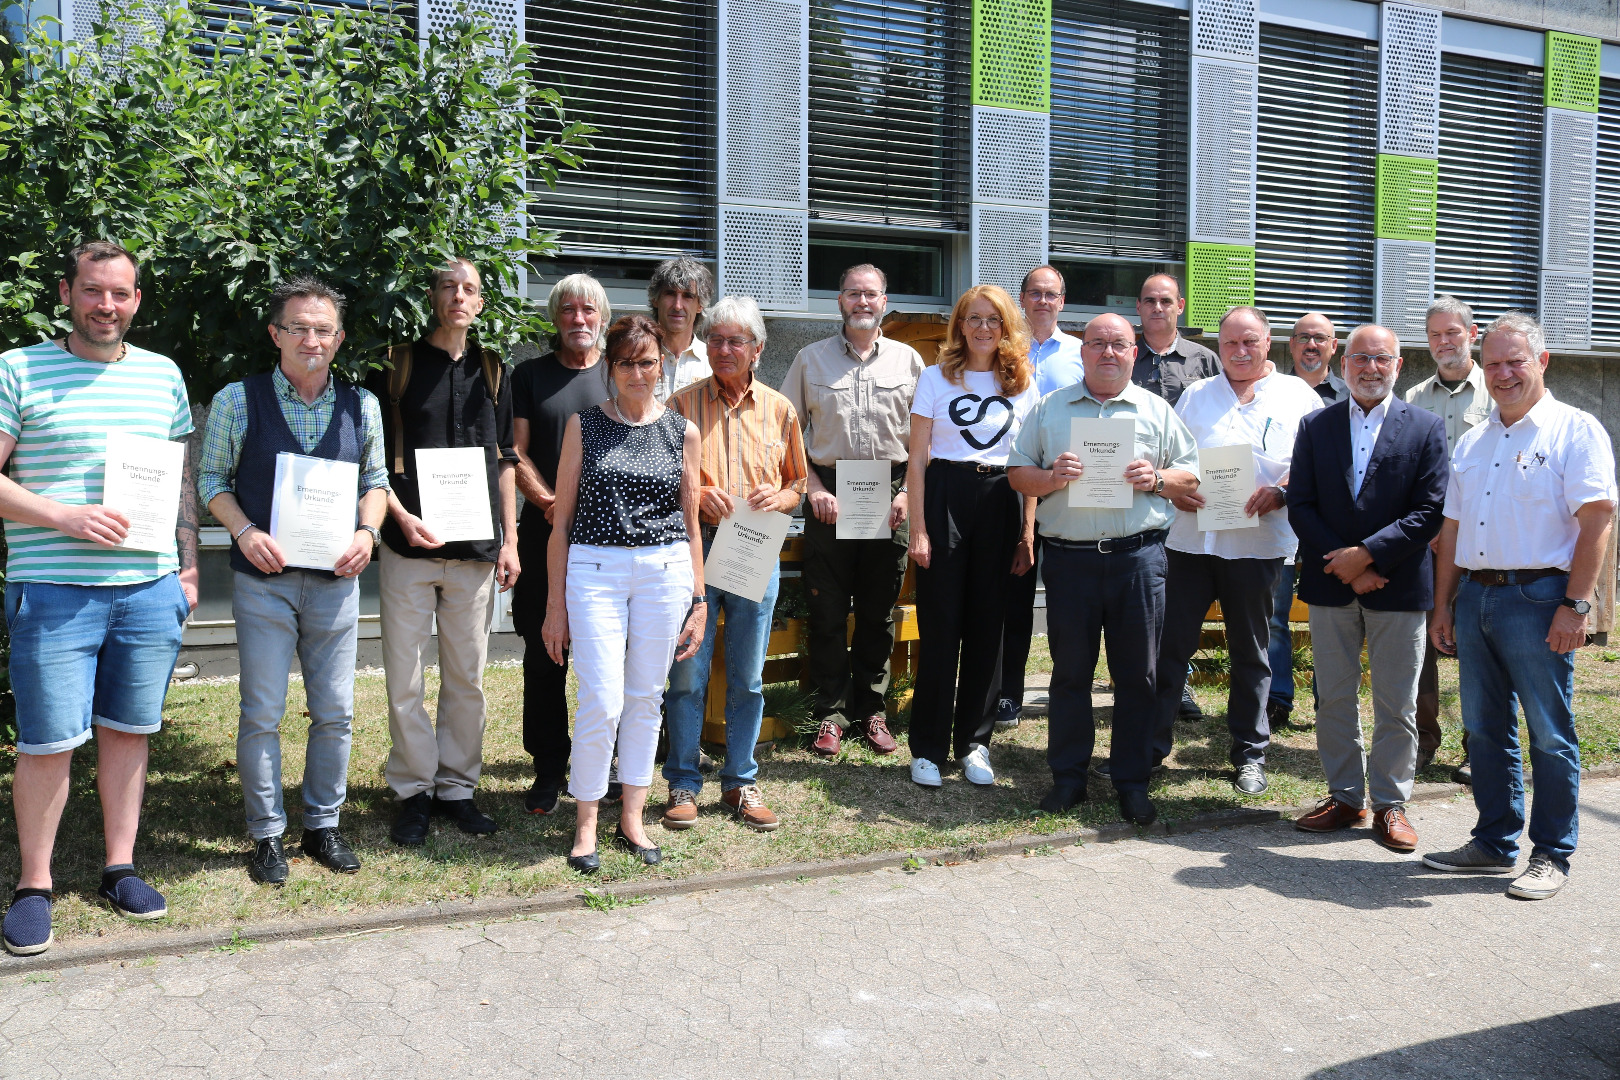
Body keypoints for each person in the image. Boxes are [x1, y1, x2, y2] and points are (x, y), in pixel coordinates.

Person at [0, 242, 197, 956]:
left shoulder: (162, 375)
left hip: (146, 589)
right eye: (92, 291)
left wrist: (187, 568)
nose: (105, 305)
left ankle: (120, 867)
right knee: (49, 741)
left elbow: (177, 482)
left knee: (128, 729)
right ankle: (34, 885)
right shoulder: (18, 369)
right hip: (53, 590)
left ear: (136, 299)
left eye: (119, 293)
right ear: (66, 293)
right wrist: (64, 516)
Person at [200, 276, 390, 887]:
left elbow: (377, 483)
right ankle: (266, 835)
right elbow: (212, 482)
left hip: (335, 581)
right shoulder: (238, 399)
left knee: (335, 711)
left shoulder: (362, 404)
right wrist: (244, 531)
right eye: (299, 327)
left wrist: (367, 534)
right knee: (262, 710)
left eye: (323, 329)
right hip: (265, 580)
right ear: (276, 333)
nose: (312, 338)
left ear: (338, 339)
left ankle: (323, 824)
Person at [1423, 313, 1616, 901]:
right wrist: (1443, 606)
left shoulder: (1573, 430)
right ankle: (1493, 842)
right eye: (1495, 363)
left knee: (1550, 734)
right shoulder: (1477, 439)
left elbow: (1598, 520)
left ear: (1543, 361)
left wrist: (1576, 606)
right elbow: (1452, 529)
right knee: (1483, 730)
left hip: (1540, 600)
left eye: (1516, 362)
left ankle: (1552, 852)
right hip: (1478, 594)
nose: (1504, 373)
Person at [1007, 314, 1199, 823]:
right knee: (1070, 675)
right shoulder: (1051, 409)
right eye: (1097, 344)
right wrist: (1050, 477)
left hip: (1138, 560)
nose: (1107, 353)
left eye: (1118, 344)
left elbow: (1190, 475)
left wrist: (1156, 478)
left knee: (1138, 675)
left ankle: (1131, 779)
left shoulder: (1156, 410)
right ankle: (1069, 778)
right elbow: (1016, 473)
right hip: (1070, 562)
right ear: (1083, 352)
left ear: (1134, 352)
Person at [541, 314, 707, 874]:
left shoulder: (683, 431)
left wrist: (700, 599)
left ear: (663, 365)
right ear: (611, 369)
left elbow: (690, 520)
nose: (639, 373)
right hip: (595, 569)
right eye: (627, 363)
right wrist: (554, 605)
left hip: (664, 571)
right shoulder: (584, 425)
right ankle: (586, 821)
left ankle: (632, 816)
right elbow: (560, 522)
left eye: (648, 362)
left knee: (645, 698)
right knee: (601, 701)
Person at [368, 258, 519, 846]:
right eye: (450, 287)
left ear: (480, 303)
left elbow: (506, 460)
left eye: (470, 290)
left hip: (476, 552)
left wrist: (511, 540)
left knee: (467, 679)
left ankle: (457, 788)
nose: (460, 297)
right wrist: (398, 520)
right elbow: (375, 460)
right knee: (404, 678)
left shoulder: (493, 369)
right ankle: (412, 791)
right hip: (409, 548)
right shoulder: (397, 365)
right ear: (433, 297)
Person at [1286, 324, 1448, 851]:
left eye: (1381, 358)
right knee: (1333, 696)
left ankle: (1392, 803)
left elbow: (1429, 511)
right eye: (1360, 358)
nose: (1370, 367)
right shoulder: (1315, 425)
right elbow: (1301, 504)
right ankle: (1346, 798)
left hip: (1398, 586)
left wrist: (1370, 556)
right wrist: (1348, 565)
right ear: (1344, 363)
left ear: (1399, 365)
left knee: (1396, 701)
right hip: (1332, 585)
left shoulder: (1425, 427)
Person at [1151, 306, 1322, 797]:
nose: (1240, 352)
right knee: (1171, 647)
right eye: (1230, 344)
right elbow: (1171, 458)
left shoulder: (1297, 397)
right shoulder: (1197, 394)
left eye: (1250, 342)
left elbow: (1314, 465)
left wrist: (1284, 492)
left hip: (1258, 543)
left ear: (1268, 343)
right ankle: (1153, 749)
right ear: (1219, 346)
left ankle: (1249, 753)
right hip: (1190, 541)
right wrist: (1173, 489)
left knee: (1252, 651)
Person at [662, 297, 808, 832]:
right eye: (716, 340)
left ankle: (741, 782)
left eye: (735, 341)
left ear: (757, 350)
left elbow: (800, 482)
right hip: (694, 551)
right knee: (686, 676)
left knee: (747, 677)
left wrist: (783, 497)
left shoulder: (780, 409)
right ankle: (682, 780)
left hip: (754, 552)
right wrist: (696, 493)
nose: (724, 350)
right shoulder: (679, 406)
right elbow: (660, 480)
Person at [782, 264, 922, 759]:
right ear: (839, 301)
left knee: (877, 613)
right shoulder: (809, 360)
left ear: (885, 301)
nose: (862, 301)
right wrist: (812, 488)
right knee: (826, 611)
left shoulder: (910, 362)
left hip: (890, 496)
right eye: (852, 294)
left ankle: (872, 711)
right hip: (831, 499)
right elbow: (785, 434)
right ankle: (829, 714)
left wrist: (908, 494)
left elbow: (924, 442)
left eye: (871, 294)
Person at [905, 284, 1040, 788]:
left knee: (990, 626)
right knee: (941, 625)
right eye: (974, 318)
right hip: (946, 495)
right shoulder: (936, 378)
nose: (983, 327)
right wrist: (918, 527)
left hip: (1002, 496)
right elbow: (917, 460)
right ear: (960, 324)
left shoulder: (1023, 382)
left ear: (1006, 327)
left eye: (993, 320)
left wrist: (1027, 532)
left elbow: (1030, 462)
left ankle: (975, 743)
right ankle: (928, 748)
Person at [510, 275, 611, 815]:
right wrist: (551, 504)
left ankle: (602, 767)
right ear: (555, 318)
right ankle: (548, 769)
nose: (578, 319)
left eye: (588, 310)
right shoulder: (528, 375)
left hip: (609, 541)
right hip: (542, 532)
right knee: (543, 653)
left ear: (602, 316)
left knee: (603, 654)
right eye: (568, 310)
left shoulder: (618, 373)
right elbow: (515, 450)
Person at [996, 265, 1087, 733]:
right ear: (1023, 298)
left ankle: (1068, 691)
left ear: (1062, 301)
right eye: (1035, 293)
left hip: (1074, 487)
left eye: (1052, 294)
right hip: (1019, 481)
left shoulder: (1079, 352)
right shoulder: (1004, 352)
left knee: (1071, 598)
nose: (1043, 301)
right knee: (1015, 593)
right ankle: (1009, 694)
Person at [1405, 294, 1493, 780]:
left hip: (1486, 542)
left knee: (1480, 645)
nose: (1443, 342)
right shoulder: (1414, 399)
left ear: (1471, 334)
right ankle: (1422, 740)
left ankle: (1478, 745)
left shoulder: (1498, 391)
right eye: (1435, 335)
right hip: (1430, 541)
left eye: (1452, 333)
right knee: (1421, 645)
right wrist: (1430, 528)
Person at [1134, 272, 1223, 723]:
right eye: (1149, 300)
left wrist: (1195, 485)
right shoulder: (1125, 357)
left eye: (1165, 300)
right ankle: (1134, 678)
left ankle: (1180, 682)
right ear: (1139, 307)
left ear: (1180, 306)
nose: (1157, 308)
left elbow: (1220, 430)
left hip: (1189, 494)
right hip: (1135, 492)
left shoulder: (1206, 361)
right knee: (1142, 596)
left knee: (1179, 599)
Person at [1267, 312, 1346, 730]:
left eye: (1320, 338)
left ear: (1334, 347)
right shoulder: (1271, 393)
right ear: (1290, 345)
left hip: (1327, 529)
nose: (1311, 345)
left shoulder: (1351, 398)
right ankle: (1278, 698)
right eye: (1303, 338)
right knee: (1276, 617)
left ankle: (1326, 699)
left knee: (1329, 619)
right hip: (1276, 525)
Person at [649, 257, 714, 402]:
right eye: (670, 294)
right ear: (655, 299)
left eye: (688, 296)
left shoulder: (712, 360)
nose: (678, 306)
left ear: (700, 305)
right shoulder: (638, 357)